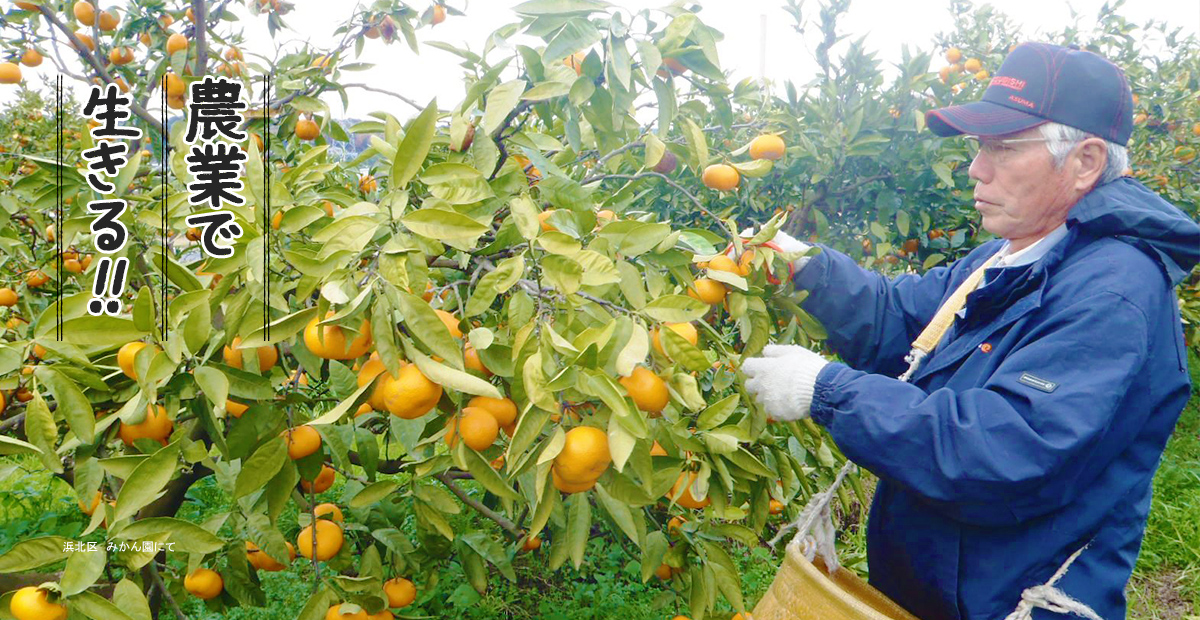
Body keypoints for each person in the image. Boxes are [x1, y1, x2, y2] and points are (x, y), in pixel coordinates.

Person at [742, 42, 1200, 620]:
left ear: (1084, 162)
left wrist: (830, 391)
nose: (976, 168)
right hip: (941, 591)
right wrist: (809, 266)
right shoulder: (1015, 253)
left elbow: (1004, 448)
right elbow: (907, 323)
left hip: (1012, 603)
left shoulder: (1112, 292)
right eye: (980, 146)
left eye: (1004, 148)